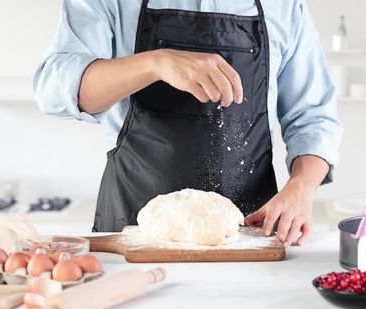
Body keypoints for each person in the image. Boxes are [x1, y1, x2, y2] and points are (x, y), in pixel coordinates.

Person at [33, 0, 343, 247]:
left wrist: (301, 187)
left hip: (250, 237)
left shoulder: (284, 5)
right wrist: (155, 62)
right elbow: (53, 89)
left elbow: (314, 115)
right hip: (133, 235)